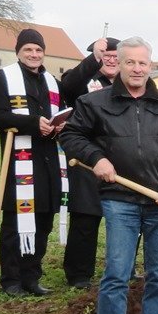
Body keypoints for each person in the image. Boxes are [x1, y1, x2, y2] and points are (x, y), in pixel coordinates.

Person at [59, 37, 158, 314]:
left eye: (142, 63)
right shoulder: (94, 103)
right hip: (120, 200)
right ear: (118, 64)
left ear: (150, 66)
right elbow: (70, 134)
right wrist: (97, 158)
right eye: (130, 62)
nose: (136, 68)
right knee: (117, 273)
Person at [0, 28, 67, 298]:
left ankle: (32, 277)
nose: (34, 54)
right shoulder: (2, 78)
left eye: (38, 50)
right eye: (28, 50)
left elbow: (59, 113)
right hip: (19, 160)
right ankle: (11, 279)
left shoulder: (53, 82)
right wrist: (34, 123)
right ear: (18, 52)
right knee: (15, 220)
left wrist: (60, 125)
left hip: (48, 160)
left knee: (43, 219)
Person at [56, 35, 121, 289]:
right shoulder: (83, 79)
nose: (111, 61)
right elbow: (68, 87)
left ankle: (122, 268)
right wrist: (93, 58)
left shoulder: (127, 84)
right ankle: (79, 274)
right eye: (106, 56)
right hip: (87, 157)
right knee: (86, 215)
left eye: (116, 57)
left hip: (121, 157)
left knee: (125, 217)